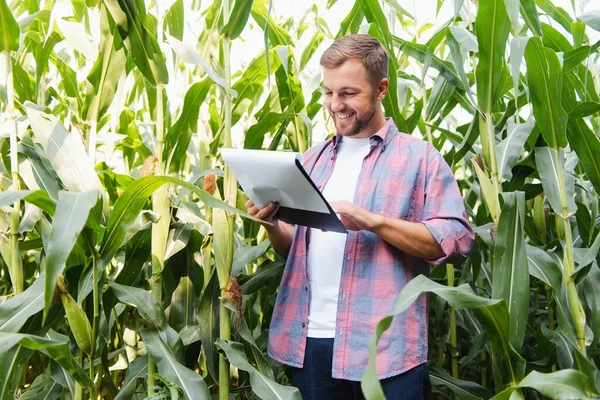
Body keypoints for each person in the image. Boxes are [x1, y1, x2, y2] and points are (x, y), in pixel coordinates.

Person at [245, 34, 474, 400]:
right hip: (311, 345)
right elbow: (297, 251)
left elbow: (458, 240)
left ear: (381, 88)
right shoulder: (312, 161)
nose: (336, 105)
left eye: (348, 93)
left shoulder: (420, 158)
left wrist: (373, 221)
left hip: (385, 350)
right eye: (328, 93)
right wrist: (272, 223)